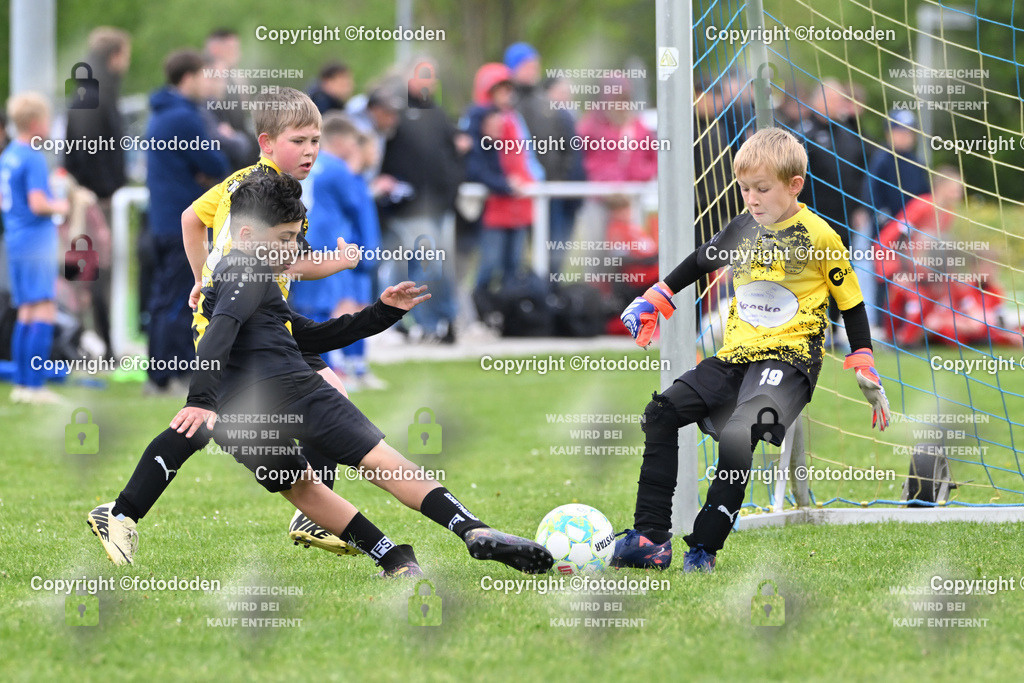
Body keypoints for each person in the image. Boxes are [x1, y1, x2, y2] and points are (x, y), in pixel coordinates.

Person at [87, 88, 360, 564]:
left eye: (317, 139)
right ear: (267, 141)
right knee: (212, 419)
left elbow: (190, 219)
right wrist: (339, 262)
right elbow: (288, 263)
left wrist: (201, 279)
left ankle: (311, 513)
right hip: (239, 326)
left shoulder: (242, 182)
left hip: (266, 322)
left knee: (319, 397)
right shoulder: (264, 196)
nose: (312, 150)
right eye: (299, 140)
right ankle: (121, 511)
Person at [614, 128, 891, 572]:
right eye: (744, 189)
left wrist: (862, 359)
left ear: (794, 185)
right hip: (736, 357)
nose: (752, 199)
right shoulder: (744, 226)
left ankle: (703, 548)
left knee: (739, 432)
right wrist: (657, 296)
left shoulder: (820, 236)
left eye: (762, 189)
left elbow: (852, 304)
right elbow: (701, 260)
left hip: (791, 361)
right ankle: (650, 537)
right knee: (662, 411)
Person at [144, 49, 229, 394]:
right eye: (206, 76)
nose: (210, 84)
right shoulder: (184, 118)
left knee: (165, 298)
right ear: (190, 77)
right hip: (184, 224)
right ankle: (172, 376)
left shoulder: (160, 115)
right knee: (184, 298)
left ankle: (158, 376)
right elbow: (216, 165)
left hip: (162, 221)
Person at [290, 113, 385, 390]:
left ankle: (330, 368)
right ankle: (328, 370)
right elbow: (358, 204)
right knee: (331, 308)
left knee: (313, 308)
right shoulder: (338, 170)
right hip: (331, 246)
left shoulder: (307, 165)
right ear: (342, 141)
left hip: (303, 241)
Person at [378, 60, 467, 343]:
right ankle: (430, 324)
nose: (430, 81)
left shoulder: (440, 115)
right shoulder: (396, 112)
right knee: (422, 266)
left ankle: (444, 321)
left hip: (441, 205)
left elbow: (452, 155)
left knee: (438, 267)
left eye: (434, 76)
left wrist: (452, 189)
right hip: (410, 209)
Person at [63, 26, 131, 358]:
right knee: (96, 272)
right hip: (95, 198)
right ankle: (98, 345)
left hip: (82, 194)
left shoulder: (83, 90)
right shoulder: (100, 93)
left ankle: (88, 342)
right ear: (116, 55)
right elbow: (92, 150)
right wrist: (107, 189)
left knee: (84, 270)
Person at [1, 93, 69, 404]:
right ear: (35, 122)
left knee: (25, 310)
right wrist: (63, 205)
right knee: (43, 308)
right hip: (36, 240)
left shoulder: (8, 154)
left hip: (15, 238)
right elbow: (39, 203)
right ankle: (36, 386)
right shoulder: (32, 156)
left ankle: (21, 385)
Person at [468, 64, 536, 306]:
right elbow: (479, 166)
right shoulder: (480, 119)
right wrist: (505, 184)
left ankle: (506, 316)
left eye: (508, 89)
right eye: (501, 89)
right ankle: (479, 313)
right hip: (495, 207)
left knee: (514, 267)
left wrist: (528, 181)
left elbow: (523, 159)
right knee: (489, 266)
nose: (507, 95)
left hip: (516, 205)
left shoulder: (512, 120)